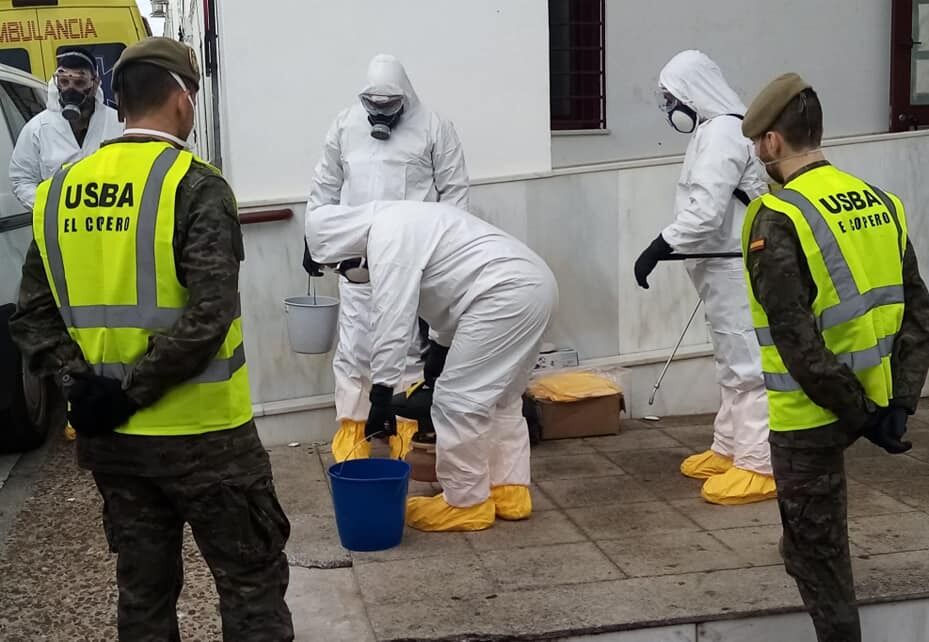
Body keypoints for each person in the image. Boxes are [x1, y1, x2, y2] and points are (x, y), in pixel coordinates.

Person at [8, 38, 293, 641]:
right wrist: (133, 391)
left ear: (120, 101)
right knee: (250, 587)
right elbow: (209, 316)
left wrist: (80, 386)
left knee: (143, 594)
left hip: (115, 445)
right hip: (207, 438)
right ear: (182, 99)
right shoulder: (195, 185)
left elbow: (32, 314)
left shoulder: (58, 191)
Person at [741, 73, 929, 642]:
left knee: (822, 565)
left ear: (772, 141)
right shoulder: (883, 202)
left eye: (757, 144)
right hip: (872, 397)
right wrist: (896, 405)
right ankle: (800, 545)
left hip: (810, 417)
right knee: (807, 540)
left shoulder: (776, 216)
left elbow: (796, 341)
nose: (757, 154)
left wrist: (861, 415)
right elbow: (920, 314)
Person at [305, 200, 557, 532]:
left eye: (340, 269)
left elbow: (391, 319)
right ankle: (509, 491)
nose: (346, 276)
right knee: (503, 398)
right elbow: (450, 288)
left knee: (457, 402)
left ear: (348, 250)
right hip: (533, 286)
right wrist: (438, 351)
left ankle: (466, 503)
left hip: (501, 295)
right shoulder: (406, 220)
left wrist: (381, 394)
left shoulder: (387, 238)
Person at [304, 53, 470, 464]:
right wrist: (314, 234)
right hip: (358, 258)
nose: (380, 113)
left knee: (408, 349)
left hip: (413, 258)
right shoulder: (345, 125)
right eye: (372, 105)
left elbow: (455, 192)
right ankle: (353, 430)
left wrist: (444, 252)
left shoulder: (434, 127)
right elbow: (325, 184)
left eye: (389, 105)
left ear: (406, 97)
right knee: (354, 345)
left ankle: (406, 432)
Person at [632, 50, 775, 505]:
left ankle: (759, 466)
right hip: (720, 265)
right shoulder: (719, 130)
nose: (671, 108)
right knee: (732, 361)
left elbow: (706, 211)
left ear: (693, 93)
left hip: (732, 264)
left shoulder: (723, 133)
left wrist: (660, 245)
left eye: (672, 98)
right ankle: (730, 448)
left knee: (748, 365)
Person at [9, 47, 123, 211]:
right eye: (64, 82)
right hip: (61, 224)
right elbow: (21, 179)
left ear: (95, 83)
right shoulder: (37, 129)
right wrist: (50, 208)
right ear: (56, 82)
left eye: (79, 82)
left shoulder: (118, 123)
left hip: (108, 220)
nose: (71, 89)